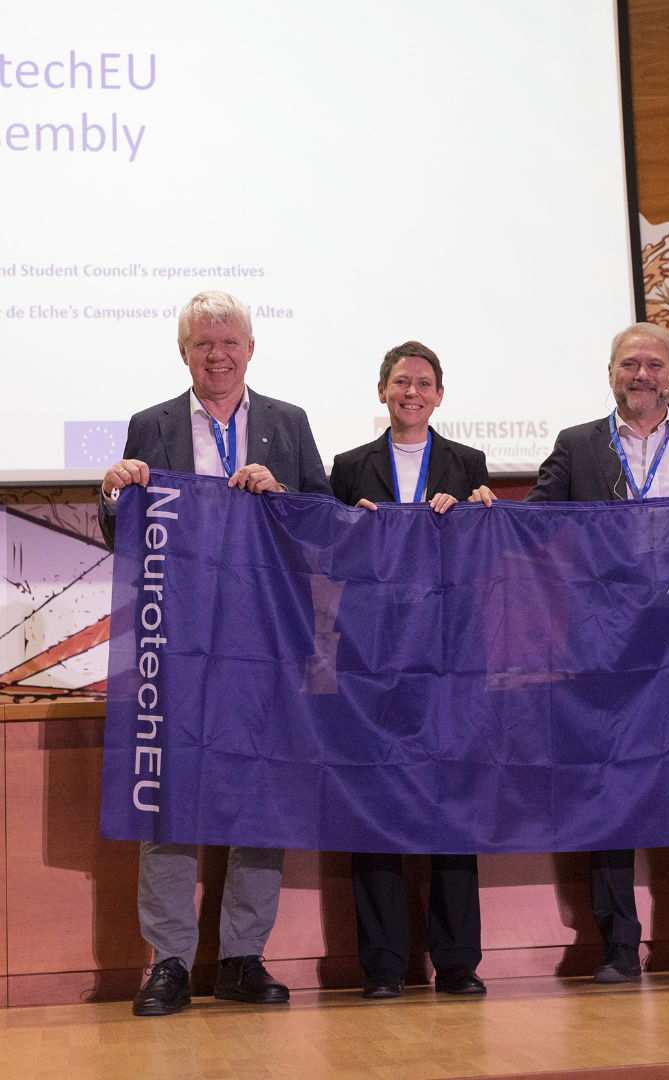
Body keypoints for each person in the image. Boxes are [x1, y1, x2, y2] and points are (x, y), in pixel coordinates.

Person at [99, 290, 331, 1015]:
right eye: (203, 343)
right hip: (174, 646)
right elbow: (125, 543)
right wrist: (115, 499)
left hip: (265, 643)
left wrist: (282, 494)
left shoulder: (288, 424)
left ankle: (241, 958)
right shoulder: (153, 424)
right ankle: (168, 962)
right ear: (185, 352)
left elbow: (322, 530)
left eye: (229, 342)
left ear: (251, 350)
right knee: (169, 799)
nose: (217, 354)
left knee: (261, 798)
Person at [526, 321, 669, 983]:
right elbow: (537, 524)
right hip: (604, 645)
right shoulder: (578, 445)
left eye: (655, 365)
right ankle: (619, 946)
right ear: (611, 373)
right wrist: (489, 511)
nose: (643, 375)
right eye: (630, 364)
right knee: (608, 790)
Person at [330, 340, 493, 1000]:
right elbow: (327, 557)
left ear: (440, 394)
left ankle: (457, 963)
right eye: (401, 381)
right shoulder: (347, 467)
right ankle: (383, 964)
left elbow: (484, 562)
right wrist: (350, 526)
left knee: (452, 806)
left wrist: (483, 516)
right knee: (375, 809)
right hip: (369, 660)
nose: (412, 392)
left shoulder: (468, 464)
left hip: (449, 657)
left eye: (424, 383)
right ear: (381, 391)